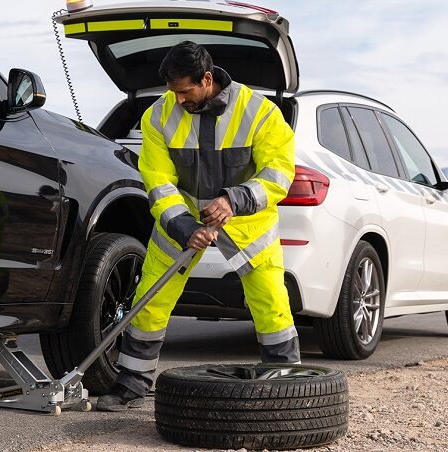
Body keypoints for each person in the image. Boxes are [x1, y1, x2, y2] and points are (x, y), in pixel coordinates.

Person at [95, 41, 297, 411]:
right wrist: (185, 225)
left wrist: (234, 200)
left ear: (207, 78)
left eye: (185, 91)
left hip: (248, 224)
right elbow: (157, 182)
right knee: (151, 299)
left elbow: (279, 174)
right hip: (180, 222)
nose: (179, 99)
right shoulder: (157, 116)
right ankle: (132, 385)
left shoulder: (260, 113)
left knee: (271, 303)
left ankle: (286, 386)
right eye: (173, 91)